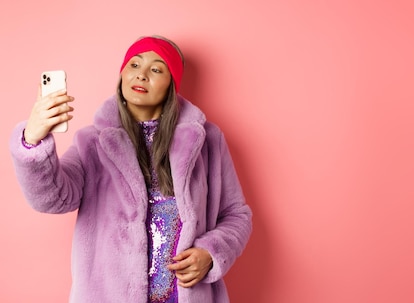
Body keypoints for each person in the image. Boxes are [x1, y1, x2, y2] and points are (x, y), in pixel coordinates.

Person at [9, 35, 253, 303]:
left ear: (172, 83)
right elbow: (54, 199)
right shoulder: (92, 142)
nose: (141, 75)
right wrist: (32, 141)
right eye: (134, 65)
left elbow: (236, 215)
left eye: (156, 69)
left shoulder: (206, 141)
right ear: (122, 75)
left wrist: (211, 253)